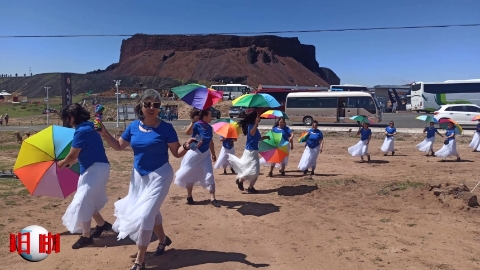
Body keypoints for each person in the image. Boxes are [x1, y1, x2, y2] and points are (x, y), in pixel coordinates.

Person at [98, 89, 198, 270]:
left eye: (156, 105)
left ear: (160, 108)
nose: (152, 108)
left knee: (145, 215)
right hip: (138, 177)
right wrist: (105, 133)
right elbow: (119, 146)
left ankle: (140, 260)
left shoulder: (166, 127)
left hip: (160, 175)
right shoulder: (133, 127)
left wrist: (186, 145)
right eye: (148, 104)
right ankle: (163, 240)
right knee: (152, 212)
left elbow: (176, 153)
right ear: (141, 106)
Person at [57, 104, 111, 249]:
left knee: (83, 201)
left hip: (95, 169)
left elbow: (73, 155)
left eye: (68, 118)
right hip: (96, 168)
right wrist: (69, 162)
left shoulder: (81, 131)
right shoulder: (90, 126)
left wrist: (61, 163)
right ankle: (102, 224)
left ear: (72, 117)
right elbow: (81, 153)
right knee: (88, 200)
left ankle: (86, 236)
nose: (68, 121)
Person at [174, 108, 219, 207]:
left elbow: (211, 142)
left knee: (209, 174)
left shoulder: (210, 128)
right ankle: (189, 196)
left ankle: (213, 198)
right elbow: (188, 132)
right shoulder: (197, 125)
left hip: (205, 154)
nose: (212, 117)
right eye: (210, 115)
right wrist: (193, 122)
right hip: (194, 153)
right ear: (205, 116)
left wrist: (213, 153)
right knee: (190, 174)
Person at [228, 111, 270, 193]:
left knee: (254, 170)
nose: (259, 118)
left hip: (254, 151)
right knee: (254, 171)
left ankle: (250, 187)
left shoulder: (255, 127)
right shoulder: (251, 126)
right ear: (254, 118)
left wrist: (265, 137)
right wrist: (256, 123)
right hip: (250, 151)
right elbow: (252, 133)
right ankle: (241, 181)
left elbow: (257, 138)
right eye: (258, 116)